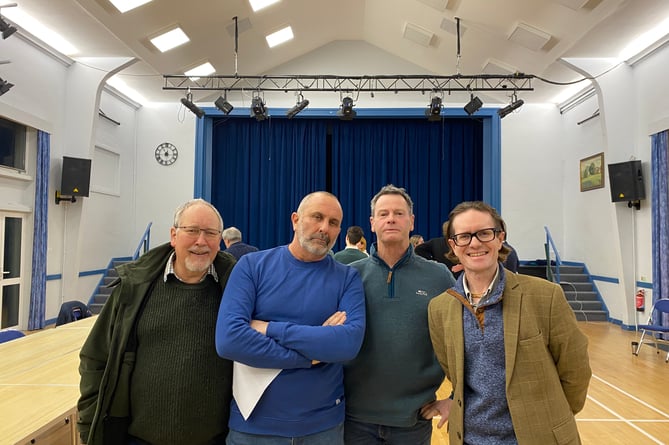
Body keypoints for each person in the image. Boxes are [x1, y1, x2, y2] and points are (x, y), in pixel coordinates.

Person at [427, 201, 591, 444]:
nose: (474, 243)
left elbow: (575, 370)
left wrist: (550, 418)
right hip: (470, 439)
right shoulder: (439, 308)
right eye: (464, 236)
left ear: (500, 237)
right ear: (453, 245)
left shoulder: (546, 296)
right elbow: (454, 374)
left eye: (484, 233)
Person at [77, 198, 236, 445]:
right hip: (137, 439)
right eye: (192, 230)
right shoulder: (134, 288)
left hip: (216, 440)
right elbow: (96, 358)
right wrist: (91, 426)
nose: (201, 241)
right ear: (174, 235)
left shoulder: (237, 290)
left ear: (220, 240)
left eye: (210, 233)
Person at [215, 191, 366, 444]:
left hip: (323, 428)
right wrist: (313, 355)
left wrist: (270, 328)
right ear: (295, 220)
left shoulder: (347, 277)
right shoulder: (252, 267)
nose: (323, 228)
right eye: (316, 217)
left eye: (333, 223)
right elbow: (229, 340)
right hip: (253, 428)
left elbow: (347, 343)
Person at [344, 184, 456, 445]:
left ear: (412, 221)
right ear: (372, 223)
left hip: (413, 421)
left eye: (399, 213)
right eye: (383, 214)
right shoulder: (350, 276)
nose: (391, 218)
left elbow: (467, 341)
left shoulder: (439, 276)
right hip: (354, 420)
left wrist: (455, 398)